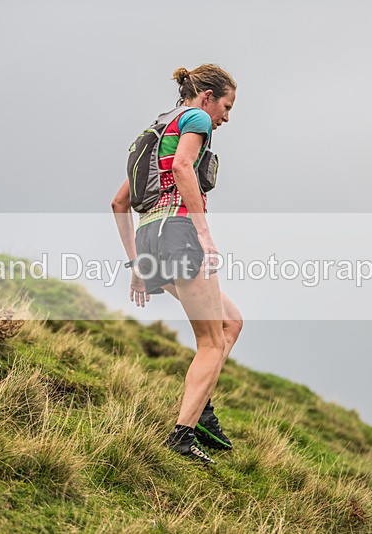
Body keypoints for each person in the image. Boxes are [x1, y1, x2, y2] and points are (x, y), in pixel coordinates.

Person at [111, 64, 243, 464]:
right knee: (211, 341)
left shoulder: (155, 130)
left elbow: (119, 202)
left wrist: (137, 261)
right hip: (177, 231)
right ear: (207, 97)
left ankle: (200, 408)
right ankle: (182, 437)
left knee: (230, 322)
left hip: (150, 236)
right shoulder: (196, 118)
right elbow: (184, 167)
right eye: (227, 106)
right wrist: (203, 233)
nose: (225, 117)